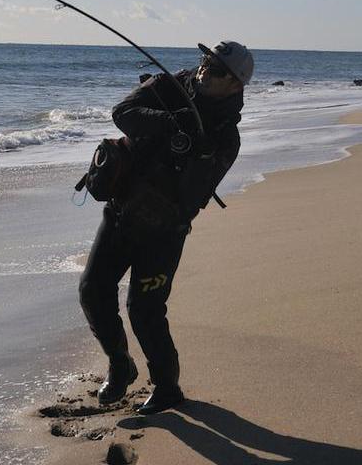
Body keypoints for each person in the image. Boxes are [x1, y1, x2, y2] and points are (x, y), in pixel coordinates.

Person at [78, 41, 253, 414]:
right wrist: (171, 121)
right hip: (120, 211)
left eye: (219, 69)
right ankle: (120, 363)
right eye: (207, 60)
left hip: (163, 232)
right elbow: (122, 111)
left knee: (144, 309)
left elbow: (192, 196)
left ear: (235, 85)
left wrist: (193, 146)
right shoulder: (170, 85)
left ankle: (167, 387)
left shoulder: (226, 136)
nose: (207, 69)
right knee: (92, 290)